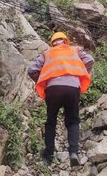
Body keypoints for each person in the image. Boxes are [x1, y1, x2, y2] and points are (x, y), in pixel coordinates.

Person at [28, 32, 94, 167]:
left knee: (51, 121)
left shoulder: (47, 53)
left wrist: (42, 80)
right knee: (73, 120)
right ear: (66, 41)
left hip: (53, 89)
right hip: (72, 88)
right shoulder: (75, 50)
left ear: (52, 43)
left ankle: (49, 154)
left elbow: (31, 69)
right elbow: (90, 60)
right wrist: (80, 72)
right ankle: (74, 153)